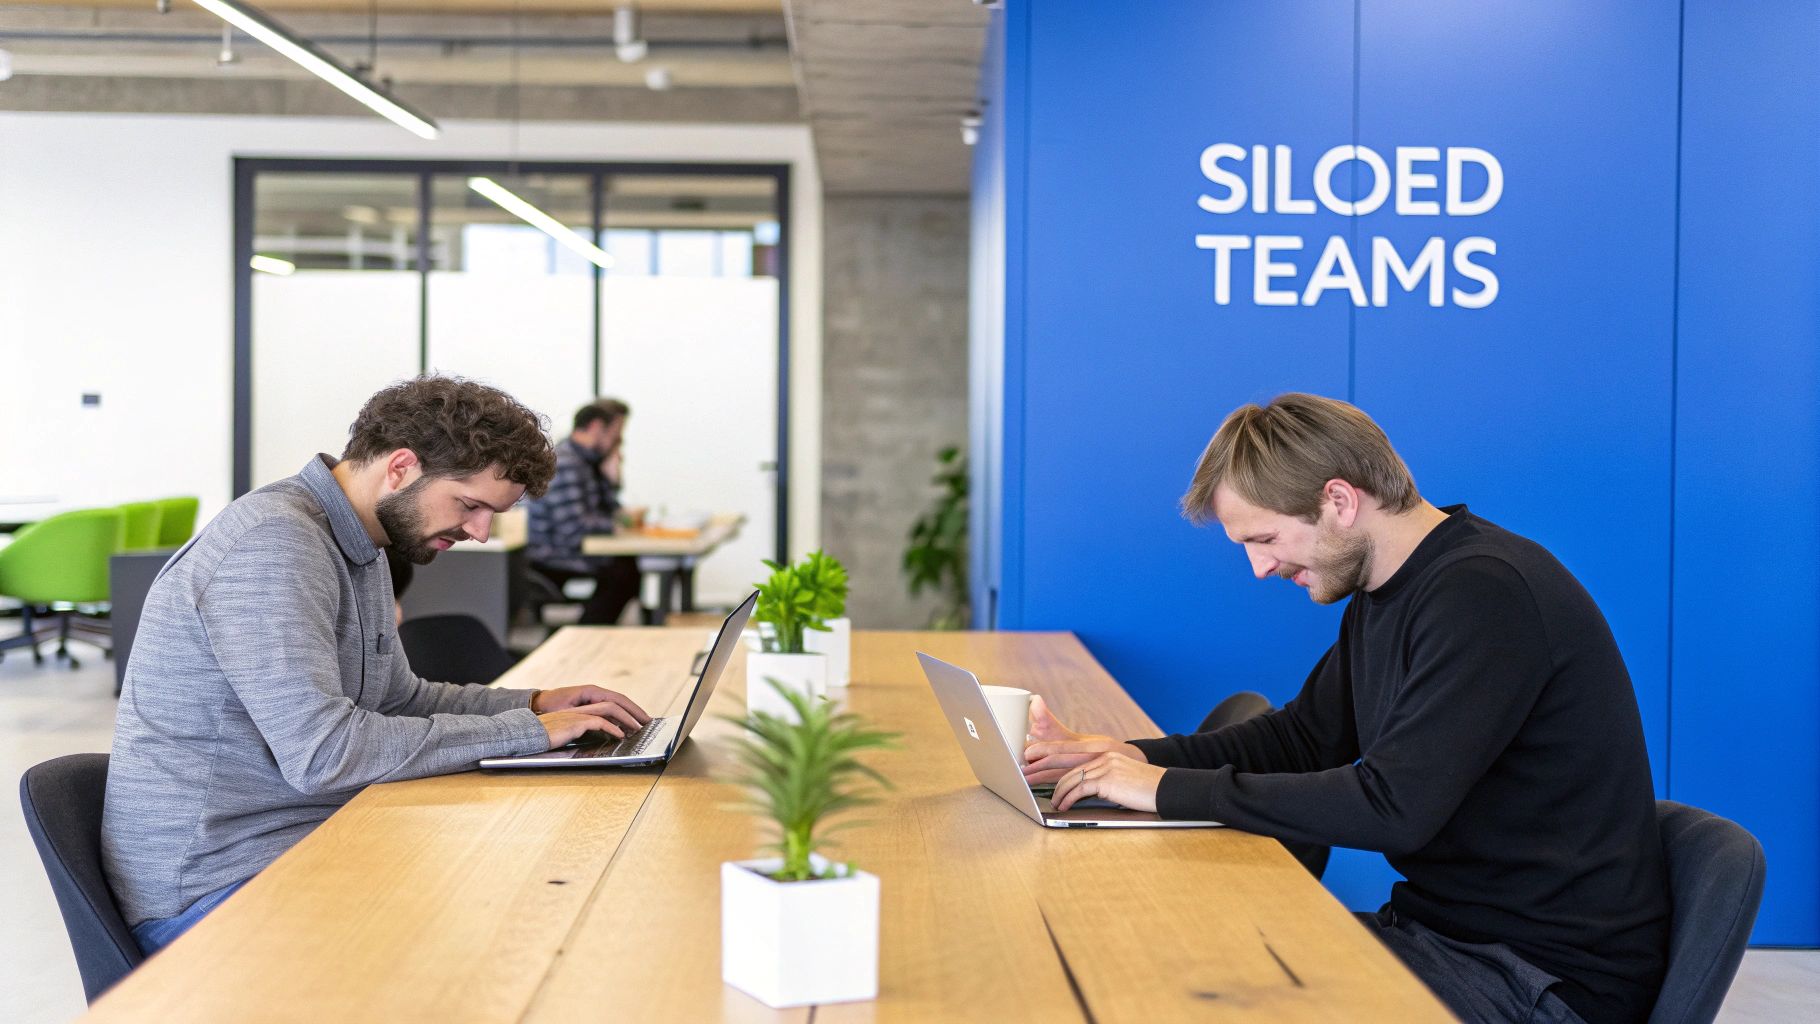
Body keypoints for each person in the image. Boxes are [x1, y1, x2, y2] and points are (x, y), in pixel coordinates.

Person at [1021, 393, 1669, 1024]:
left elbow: (1394, 808)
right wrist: (1124, 759)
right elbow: (1304, 738)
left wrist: (1165, 790)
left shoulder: (1484, 594)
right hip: (1439, 937)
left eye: (1265, 538)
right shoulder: (1387, 592)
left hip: (1536, 979)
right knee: (1177, 966)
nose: (1259, 568)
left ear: (1338, 500)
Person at [103, 376, 652, 956]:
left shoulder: (358, 543)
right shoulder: (274, 544)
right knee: (497, 938)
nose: (480, 532)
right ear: (401, 467)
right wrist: (529, 733)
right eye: (470, 505)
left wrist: (536, 704)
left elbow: (398, 701)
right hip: (216, 885)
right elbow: (325, 754)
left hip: (303, 839)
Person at [524, 399, 643, 625]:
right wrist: (615, 525)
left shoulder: (586, 462)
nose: (619, 442)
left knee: (626, 567)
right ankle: (588, 630)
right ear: (597, 428)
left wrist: (612, 478)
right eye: (616, 434)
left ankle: (596, 628)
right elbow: (574, 530)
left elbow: (609, 509)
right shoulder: (566, 463)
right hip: (551, 555)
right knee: (622, 572)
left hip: (567, 548)